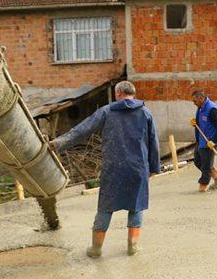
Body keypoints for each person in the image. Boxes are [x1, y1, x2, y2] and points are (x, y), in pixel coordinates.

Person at [52, 81, 160, 258]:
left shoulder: (107, 111)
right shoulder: (145, 113)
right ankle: (132, 247)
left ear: (118, 93)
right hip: (138, 168)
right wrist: (153, 167)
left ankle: (96, 249)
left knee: (105, 207)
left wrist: (57, 144)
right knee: (136, 206)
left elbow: (82, 130)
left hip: (113, 168)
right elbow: (153, 142)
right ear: (133, 93)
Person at [189, 90, 217, 192]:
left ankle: (202, 190)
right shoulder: (200, 108)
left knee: (206, 167)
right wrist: (195, 124)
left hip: (210, 142)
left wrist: (214, 141)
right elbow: (201, 124)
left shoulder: (212, 110)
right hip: (201, 140)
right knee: (197, 161)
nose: (194, 103)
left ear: (201, 98)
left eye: (195, 101)